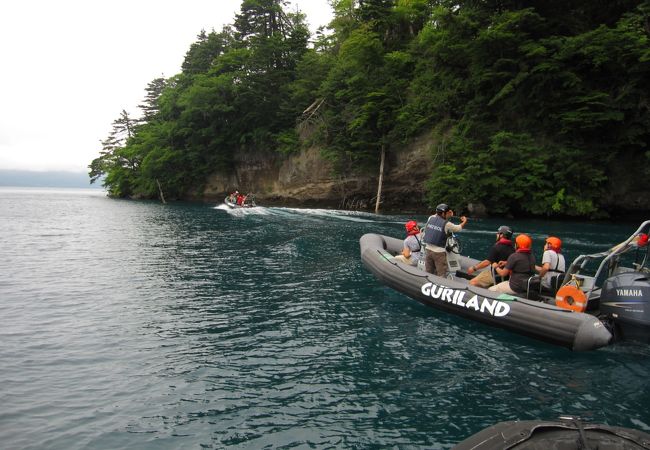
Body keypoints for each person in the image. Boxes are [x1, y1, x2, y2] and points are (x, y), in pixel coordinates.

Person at [422, 203, 467, 276]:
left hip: (428, 250)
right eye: (448, 212)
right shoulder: (447, 224)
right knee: (441, 274)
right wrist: (464, 221)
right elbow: (457, 228)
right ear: (443, 213)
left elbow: (437, 216)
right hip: (439, 253)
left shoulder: (430, 218)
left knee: (429, 272)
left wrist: (448, 214)